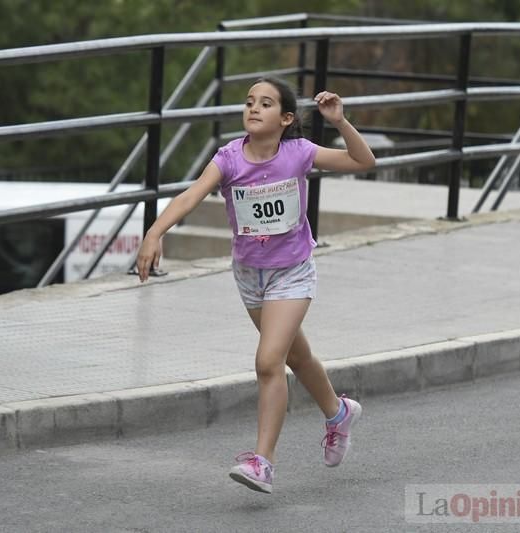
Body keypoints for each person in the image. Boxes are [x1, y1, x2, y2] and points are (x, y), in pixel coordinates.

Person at [136, 77, 375, 493]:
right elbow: (190, 196)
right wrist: (155, 233)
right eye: (249, 102)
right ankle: (338, 414)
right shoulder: (229, 158)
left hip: (292, 272)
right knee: (297, 358)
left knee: (269, 362)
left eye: (265, 104)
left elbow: (362, 161)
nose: (253, 108)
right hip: (249, 276)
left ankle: (263, 462)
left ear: (285, 119)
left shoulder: (298, 153)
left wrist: (340, 122)